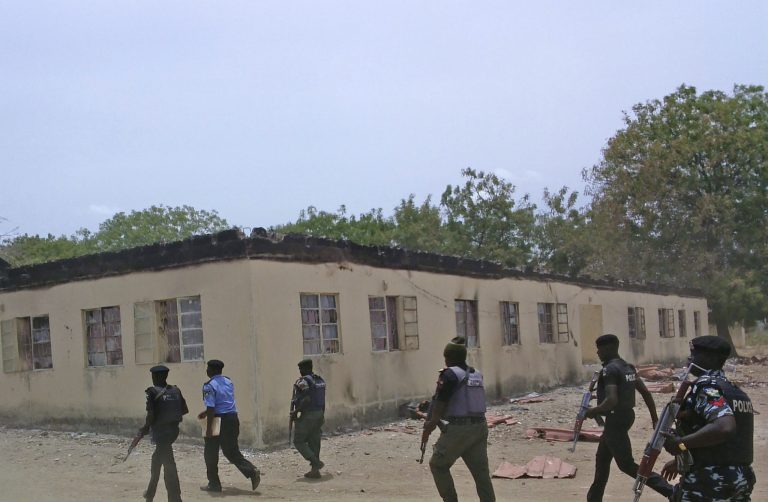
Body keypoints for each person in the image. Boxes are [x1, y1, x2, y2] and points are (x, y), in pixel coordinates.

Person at [660, 336, 755, 501]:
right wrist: (681, 461)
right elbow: (726, 444)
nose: (690, 359)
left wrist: (680, 444)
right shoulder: (735, 392)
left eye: (695, 354)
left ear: (712, 358)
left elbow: (724, 427)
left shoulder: (706, 386)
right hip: (738, 480)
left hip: (710, 482)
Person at [584, 334, 672, 501]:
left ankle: (670, 491)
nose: (597, 352)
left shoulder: (610, 370)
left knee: (626, 465)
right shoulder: (627, 367)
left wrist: (592, 411)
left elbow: (611, 400)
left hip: (615, 419)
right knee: (602, 461)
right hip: (625, 417)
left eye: (600, 349)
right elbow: (646, 393)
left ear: (608, 349)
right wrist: (655, 419)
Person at [423, 336, 496, 502]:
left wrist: (432, 423)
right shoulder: (477, 374)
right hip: (479, 428)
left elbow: (440, 402)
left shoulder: (449, 375)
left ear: (449, 358)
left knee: (438, 465)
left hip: (458, 429)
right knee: (481, 474)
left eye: (446, 357)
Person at [198, 359, 260, 492]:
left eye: (208, 368)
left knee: (210, 453)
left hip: (218, 421)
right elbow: (224, 402)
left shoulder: (208, 385)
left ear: (213, 370)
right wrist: (206, 412)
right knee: (231, 451)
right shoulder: (228, 381)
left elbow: (211, 407)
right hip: (232, 419)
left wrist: (208, 429)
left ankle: (214, 484)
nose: (206, 371)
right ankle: (252, 471)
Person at [139, 365, 188, 502]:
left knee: (166, 467)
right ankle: (151, 494)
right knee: (159, 462)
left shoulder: (153, 392)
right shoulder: (176, 390)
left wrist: (145, 428)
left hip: (161, 433)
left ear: (155, 377)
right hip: (173, 432)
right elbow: (184, 410)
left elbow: (151, 415)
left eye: (153, 376)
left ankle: (170, 498)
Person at [290, 358, 327, 478]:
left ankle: (315, 462)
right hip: (319, 413)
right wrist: (321, 415)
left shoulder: (303, 381)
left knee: (299, 441)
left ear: (305, 368)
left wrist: (296, 411)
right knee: (314, 441)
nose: (300, 371)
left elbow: (306, 399)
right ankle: (315, 471)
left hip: (309, 414)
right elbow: (322, 400)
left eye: (301, 369)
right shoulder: (319, 380)